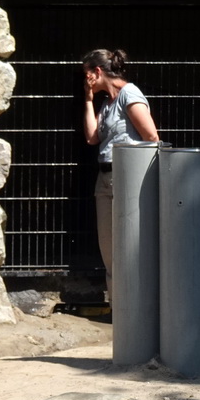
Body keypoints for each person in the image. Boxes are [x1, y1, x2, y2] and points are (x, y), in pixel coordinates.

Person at [81, 48, 160, 301]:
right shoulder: (106, 104)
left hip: (127, 175)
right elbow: (92, 137)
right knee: (109, 246)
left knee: (130, 242)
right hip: (105, 177)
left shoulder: (130, 94)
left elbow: (151, 137)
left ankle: (136, 307)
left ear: (97, 71)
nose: (86, 80)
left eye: (87, 75)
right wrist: (88, 99)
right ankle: (119, 310)